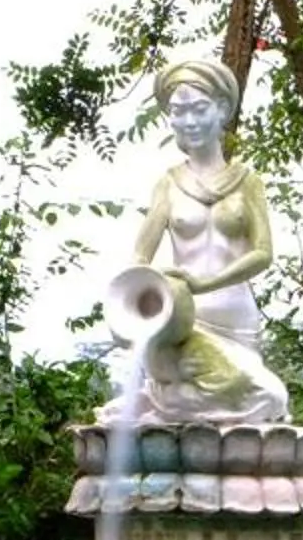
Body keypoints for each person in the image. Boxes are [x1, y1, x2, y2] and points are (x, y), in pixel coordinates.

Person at [107, 56, 289, 425]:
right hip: (180, 321)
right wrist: (131, 308)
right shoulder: (169, 183)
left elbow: (263, 254)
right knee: (119, 379)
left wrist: (206, 282)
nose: (188, 121)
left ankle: (159, 403)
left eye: (198, 109)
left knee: (269, 397)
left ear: (222, 110)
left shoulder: (246, 180)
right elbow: (139, 257)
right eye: (177, 112)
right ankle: (160, 402)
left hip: (234, 316)